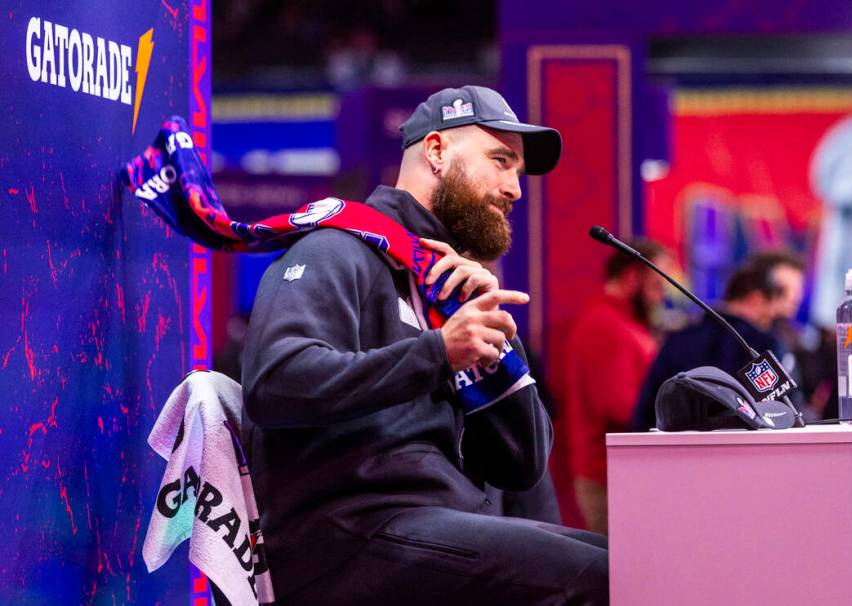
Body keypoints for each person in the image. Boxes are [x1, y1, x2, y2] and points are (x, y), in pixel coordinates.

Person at [240, 86, 608, 605]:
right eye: (501, 161)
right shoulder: (335, 249)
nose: (515, 189)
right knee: (606, 579)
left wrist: (497, 349)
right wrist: (438, 352)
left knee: (636, 565)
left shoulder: (447, 288)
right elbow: (275, 382)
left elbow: (521, 466)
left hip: (439, 525)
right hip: (347, 535)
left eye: (518, 173)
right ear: (436, 151)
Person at [561, 240, 666, 534]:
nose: (661, 295)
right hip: (608, 476)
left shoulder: (618, 321)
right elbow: (622, 407)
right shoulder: (606, 325)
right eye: (657, 284)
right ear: (632, 278)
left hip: (616, 472)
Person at [631, 262, 787, 431]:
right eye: (768, 317)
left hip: (675, 452)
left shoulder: (677, 340)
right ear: (756, 299)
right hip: (745, 452)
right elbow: (781, 416)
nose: (768, 323)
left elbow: (644, 414)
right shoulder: (764, 345)